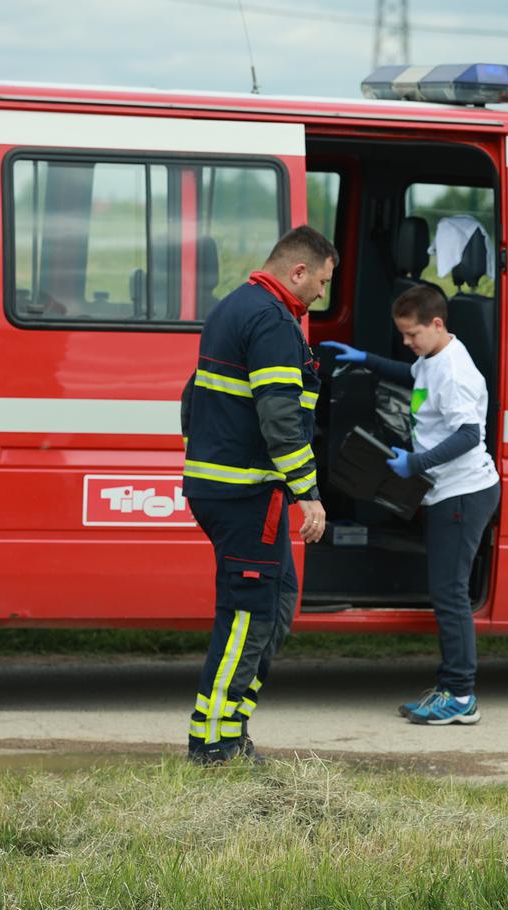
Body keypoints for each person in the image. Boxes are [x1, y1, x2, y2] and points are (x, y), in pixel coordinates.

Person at [180, 225, 336, 764]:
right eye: (320, 281)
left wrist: (203, 457)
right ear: (297, 272)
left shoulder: (234, 307)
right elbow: (280, 415)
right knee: (248, 615)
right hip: (246, 495)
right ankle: (214, 745)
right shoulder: (271, 320)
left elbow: (191, 396)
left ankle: (232, 727)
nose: (321, 293)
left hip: (227, 487)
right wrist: (308, 492)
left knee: (276, 604)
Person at [321, 284, 500, 725]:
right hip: (444, 491)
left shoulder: (456, 372)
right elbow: (413, 376)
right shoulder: (433, 359)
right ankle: (451, 687)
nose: (406, 343)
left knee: (450, 594)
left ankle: (460, 696)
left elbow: (468, 435)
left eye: (411, 335)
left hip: (462, 493)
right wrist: (367, 361)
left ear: (437, 324)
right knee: (446, 592)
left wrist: (415, 462)